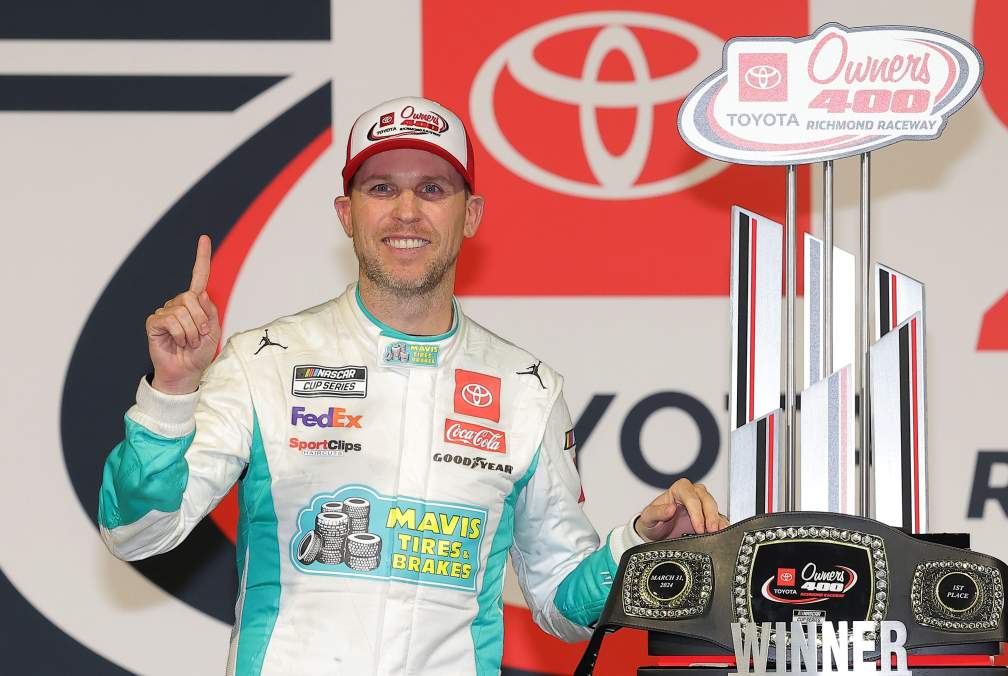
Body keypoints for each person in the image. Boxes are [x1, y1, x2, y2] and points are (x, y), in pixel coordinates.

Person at [97, 97, 726, 675]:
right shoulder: (264, 363)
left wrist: (637, 547)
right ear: (346, 214)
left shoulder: (527, 390)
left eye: (432, 188)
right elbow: (136, 533)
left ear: (470, 215)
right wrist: (172, 392)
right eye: (380, 188)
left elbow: (563, 606)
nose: (406, 211)